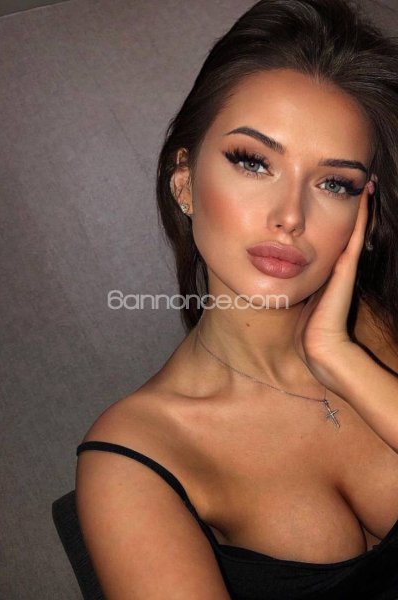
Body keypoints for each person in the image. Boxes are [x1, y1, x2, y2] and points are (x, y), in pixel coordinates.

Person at [75, 0, 398, 598]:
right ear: (184, 181)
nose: (290, 216)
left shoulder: (387, 321)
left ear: (366, 213)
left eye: (335, 183)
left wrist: (341, 358)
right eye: (254, 163)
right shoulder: (135, 456)